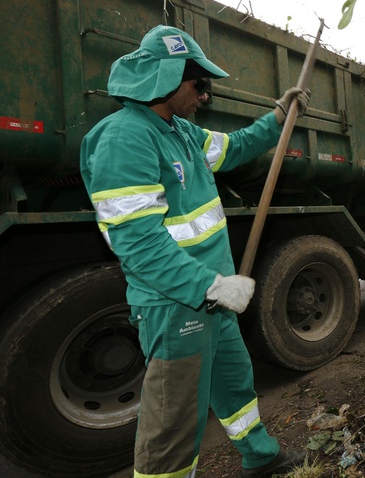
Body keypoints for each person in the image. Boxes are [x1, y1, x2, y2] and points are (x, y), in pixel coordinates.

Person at [80, 25, 308, 478]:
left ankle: (260, 456)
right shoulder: (124, 138)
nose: (205, 95)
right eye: (199, 84)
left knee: (234, 382)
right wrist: (212, 287)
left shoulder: (181, 132)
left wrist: (279, 116)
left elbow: (237, 148)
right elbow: (139, 244)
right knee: (174, 421)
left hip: (214, 297)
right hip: (176, 304)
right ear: (167, 79)